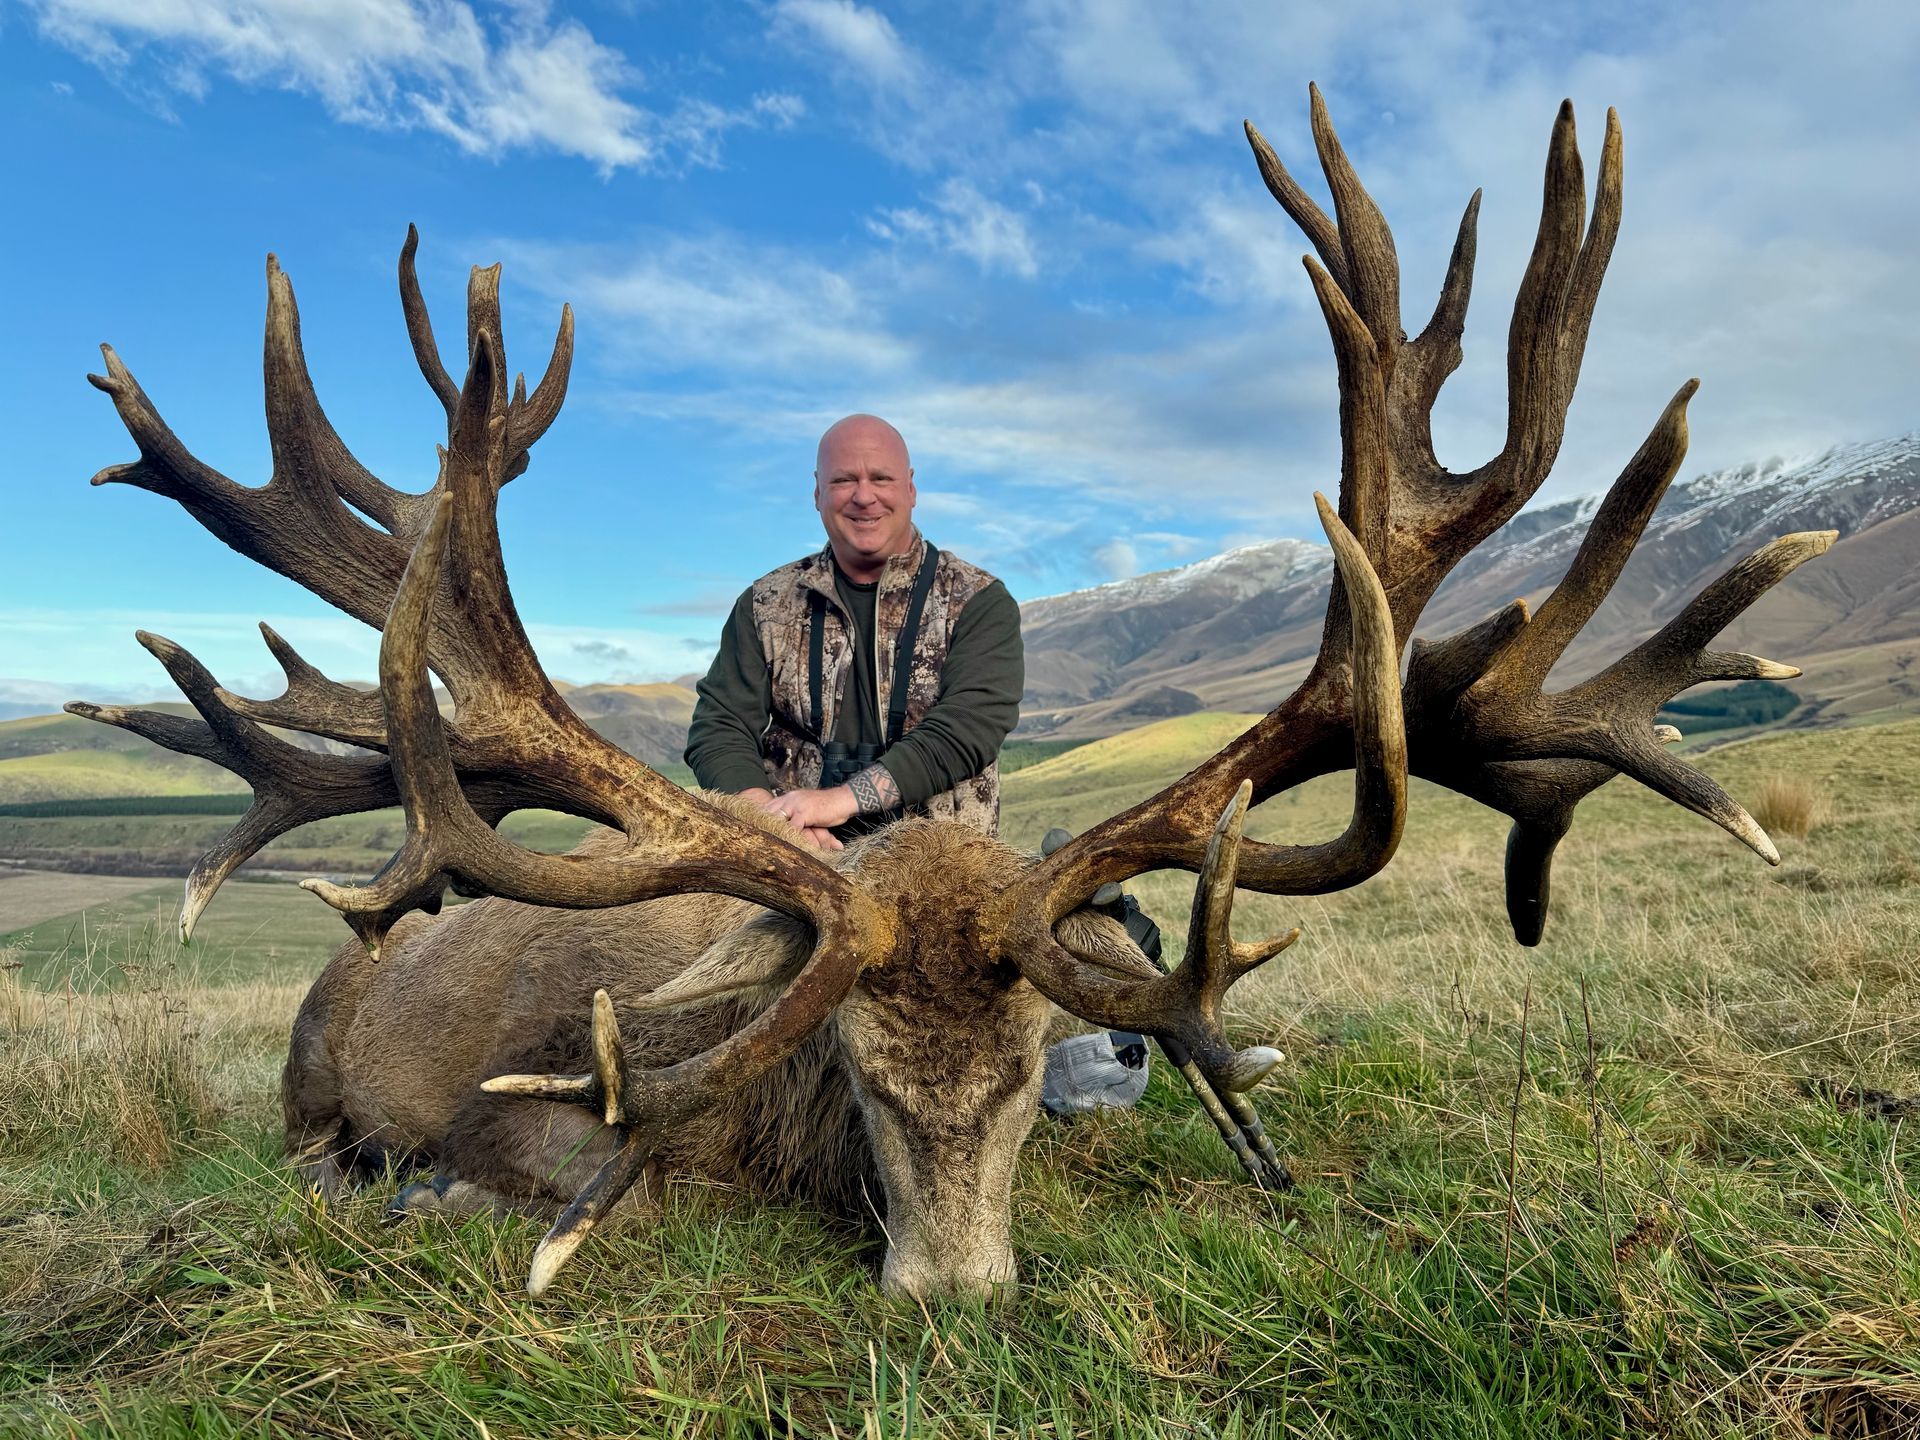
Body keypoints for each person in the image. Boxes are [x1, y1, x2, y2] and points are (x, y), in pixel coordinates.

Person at [684, 414, 1023, 849]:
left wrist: (839, 801)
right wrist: (770, 818)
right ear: (817, 492)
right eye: (844, 480)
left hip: (942, 868)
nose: (864, 497)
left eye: (881, 478)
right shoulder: (764, 604)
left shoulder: (978, 601)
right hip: (794, 858)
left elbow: (968, 727)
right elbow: (720, 724)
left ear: (910, 488)